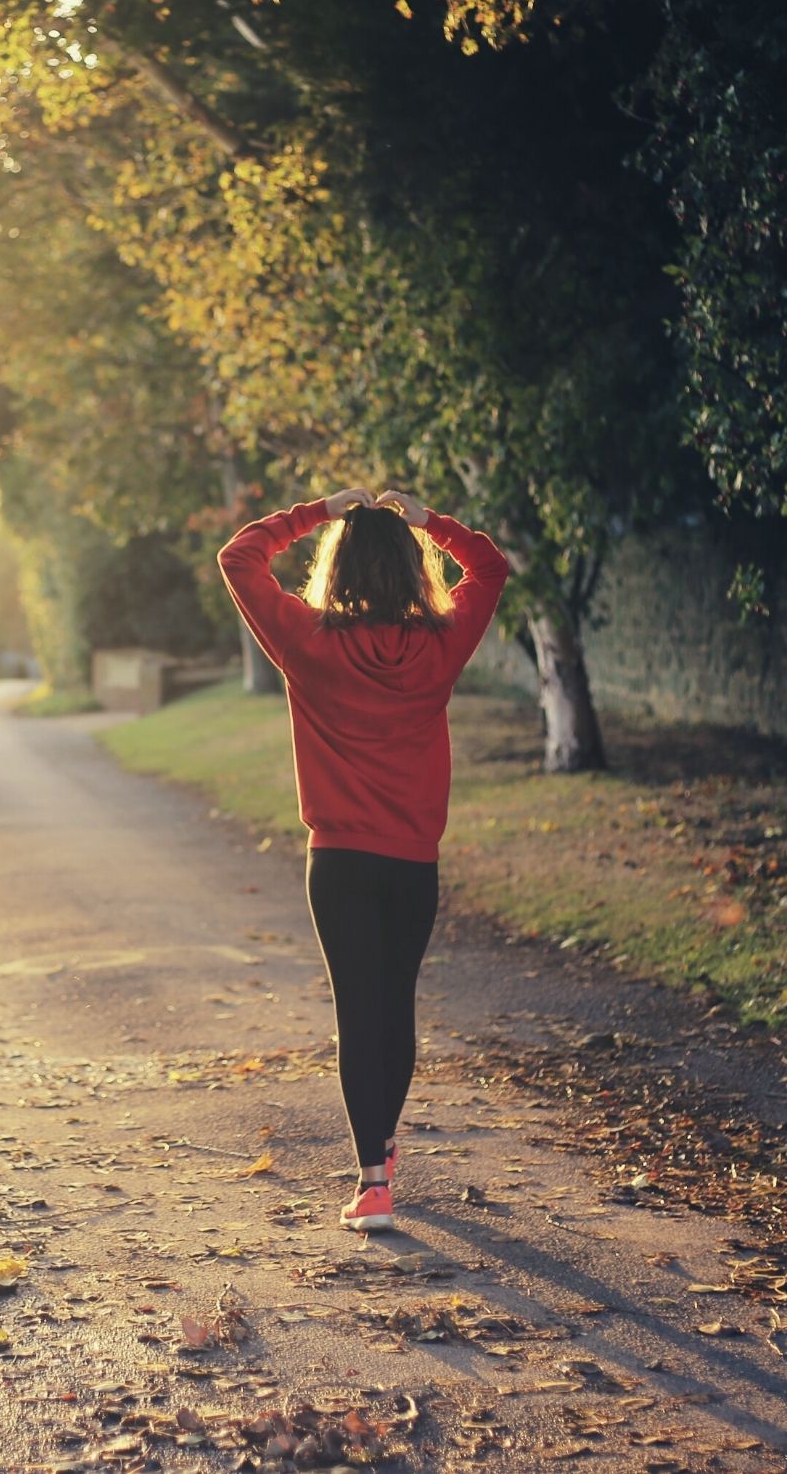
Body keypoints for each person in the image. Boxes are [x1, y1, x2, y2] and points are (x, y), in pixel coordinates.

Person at [218, 487, 509, 1231]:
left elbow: (238, 556)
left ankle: (373, 1180)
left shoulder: (305, 640)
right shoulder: (440, 643)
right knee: (395, 1004)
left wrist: (318, 510)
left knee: (358, 1010)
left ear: (337, 568)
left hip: (339, 862)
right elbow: (491, 565)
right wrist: (429, 522)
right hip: (412, 861)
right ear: (412, 571)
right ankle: (379, 1147)